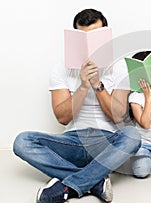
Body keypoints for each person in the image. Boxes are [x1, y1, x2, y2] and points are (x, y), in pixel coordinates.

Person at [13, 8, 141, 203]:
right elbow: (62, 117)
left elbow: (117, 115)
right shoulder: (61, 69)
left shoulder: (120, 67)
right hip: (72, 141)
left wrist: (97, 85)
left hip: (106, 144)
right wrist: (82, 86)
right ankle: (94, 181)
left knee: (133, 135)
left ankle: (68, 186)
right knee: (22, 142)